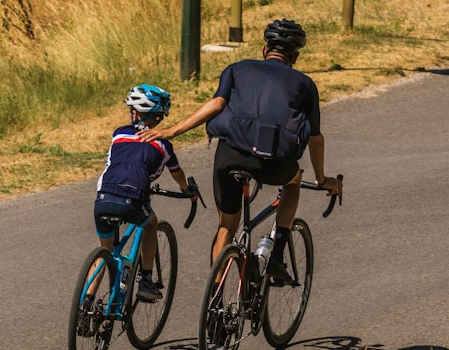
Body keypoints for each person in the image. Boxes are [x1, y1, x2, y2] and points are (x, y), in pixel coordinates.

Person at [138, 19, 342, 283]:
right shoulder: (305, 85)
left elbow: (216, 105)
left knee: (226, 226)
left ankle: (215, 301)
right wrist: (323, 179)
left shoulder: (236, 68)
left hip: (231, 156)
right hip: (276, 162)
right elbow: (316, 139)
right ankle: (278, 252)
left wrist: (172, 131)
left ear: (263, 50)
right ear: (296, 56)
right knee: (294, 180)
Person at [94, 84, 196, 300]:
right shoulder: (163, 144)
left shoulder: (119, 133)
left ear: (134, 113)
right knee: (150, 224)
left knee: (105, 252)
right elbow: (176, 173)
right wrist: (187, 190)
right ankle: (147, 280)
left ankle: (87, 300)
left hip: (103, 195)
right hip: (133, 197)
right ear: (159, 117)